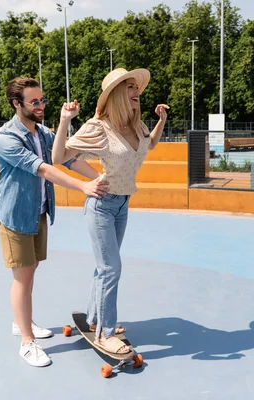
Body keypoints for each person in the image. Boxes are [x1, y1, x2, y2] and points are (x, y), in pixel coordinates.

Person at [0, 77, 109, 367]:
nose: (41, 105)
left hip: (37, 212)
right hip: (14, 215)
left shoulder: (42, 132)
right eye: (34, 102)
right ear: (17, 104)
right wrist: (82, 188)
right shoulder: (6, 137)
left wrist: (100, 178)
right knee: (22, 277)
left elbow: (66, 158)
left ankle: (22, 323)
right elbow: (42, 168)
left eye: (42, 100)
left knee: (30, 272)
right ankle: (26, 342)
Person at [51, 67, 169, 354]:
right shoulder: (99, 127)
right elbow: (59, 157)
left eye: (136, 87)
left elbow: (149, 145)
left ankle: (94, 319)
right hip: (102, 205)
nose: (137, 92)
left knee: (105, 267)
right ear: (115, 94)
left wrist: (161, 121)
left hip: (123, 204)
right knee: (110, 268)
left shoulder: (135, 125)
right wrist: (65, 121)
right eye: (129, 88)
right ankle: (104, 333)